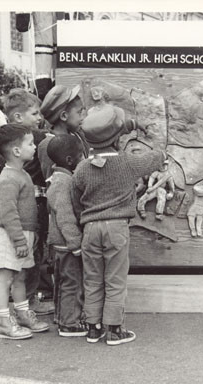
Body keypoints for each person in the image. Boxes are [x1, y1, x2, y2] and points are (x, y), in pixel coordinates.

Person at [72, 104, 164, 345]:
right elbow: (158, 156)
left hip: (90, 229)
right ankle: (114, 329)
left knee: (92, 279)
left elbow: (75, 200)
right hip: (116, 228)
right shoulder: (128, 163)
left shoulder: (81, 168)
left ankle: (93, 327)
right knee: (115, 279)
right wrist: (146, 131)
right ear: (117, 138)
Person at [0, 88, 55, 316]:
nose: (40, 118)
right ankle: (20, 308)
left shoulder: (6, 147)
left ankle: (25, 306)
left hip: (25, 217)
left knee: (26, 264)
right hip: (24, 217)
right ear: (19, 117)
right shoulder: (32, 140)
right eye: (35, 113)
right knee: (26, 262)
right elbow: (8, 208)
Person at [46, 135, 87, 337]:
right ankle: (69, 323)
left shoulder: (56, 179)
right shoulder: (64, 182)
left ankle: (61, 316)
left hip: (59, 244)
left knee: (62, 282)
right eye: (80, 155)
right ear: (70, 160)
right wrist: (75, 243)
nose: (83, 158)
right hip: (66, 244)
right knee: (72, 282)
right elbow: (64, 215)